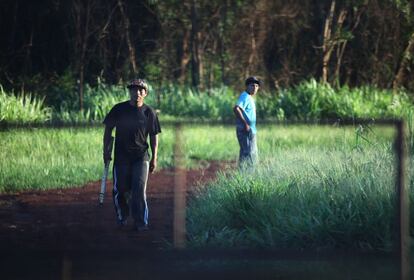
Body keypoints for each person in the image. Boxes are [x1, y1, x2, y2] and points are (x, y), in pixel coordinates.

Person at [103, 78, 161, 232]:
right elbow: (108, 129)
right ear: (129, 92)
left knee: (139, 190)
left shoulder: (150, 113)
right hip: (121, 157)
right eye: (134, 90)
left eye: (140, 90)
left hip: (141, 157)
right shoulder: (119, 109)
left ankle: (141, 222)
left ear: (146, 93)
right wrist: (106, 150)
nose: (137, 93)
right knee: (120, 190)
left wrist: (154, 157)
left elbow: (154, 136)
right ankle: (122, 217)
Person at [233, 76, 260, 168]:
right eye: (252, 85)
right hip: (246, 130)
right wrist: (245, 124)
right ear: (247, 86)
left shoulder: (249, 98)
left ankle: (241, 176)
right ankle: (250, 176)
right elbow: (236, 108)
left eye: (256, 86)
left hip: (250, 130)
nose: (254, 88)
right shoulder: (245, 96)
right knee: (250, 155)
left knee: (245, 154)